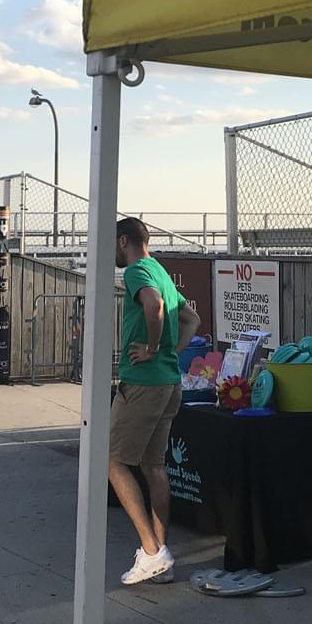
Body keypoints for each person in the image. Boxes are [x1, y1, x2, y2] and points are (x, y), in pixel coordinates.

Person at [109, 217, 201, 585]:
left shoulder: (136, 272)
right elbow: (191, 319)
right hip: (168, 382)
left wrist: (150, 348)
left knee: (113, 462)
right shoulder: (161, 269)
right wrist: (168, 352)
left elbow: (156, 306)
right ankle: (161, 560)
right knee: (154, 467)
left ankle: (150, 550)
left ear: (124, 241)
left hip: (143, 384)